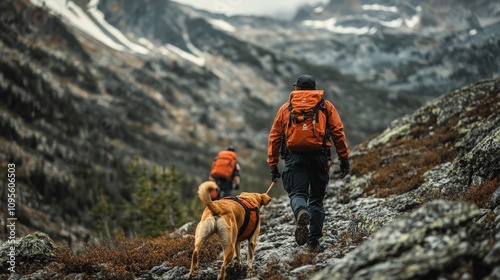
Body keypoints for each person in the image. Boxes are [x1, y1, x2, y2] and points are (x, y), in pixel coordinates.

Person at [267, 74, 350, 252]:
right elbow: (337, 132)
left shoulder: (286, 108)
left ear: (296, 88)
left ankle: (300, 211)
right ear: (314, 89)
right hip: (319, 157)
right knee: (317, 200)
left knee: (297, 194)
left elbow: (274, 137)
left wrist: (273, 164)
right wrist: (344, 158)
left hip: (294, 157)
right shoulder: (325, 106)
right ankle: (312, 243)